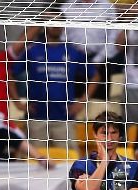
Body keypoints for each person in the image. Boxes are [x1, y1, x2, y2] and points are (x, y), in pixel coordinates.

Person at [10, 22, 100, 151]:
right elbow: (10, 74)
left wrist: (82, 101)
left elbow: (95, 76)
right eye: (52, 22)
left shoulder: (72, 51)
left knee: (68, 163)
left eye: (59, 22)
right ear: (45, 26)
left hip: (64, 118)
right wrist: (18, 103)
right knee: (36, 163)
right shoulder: (32, 50)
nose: (56, 26)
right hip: (37, 118)